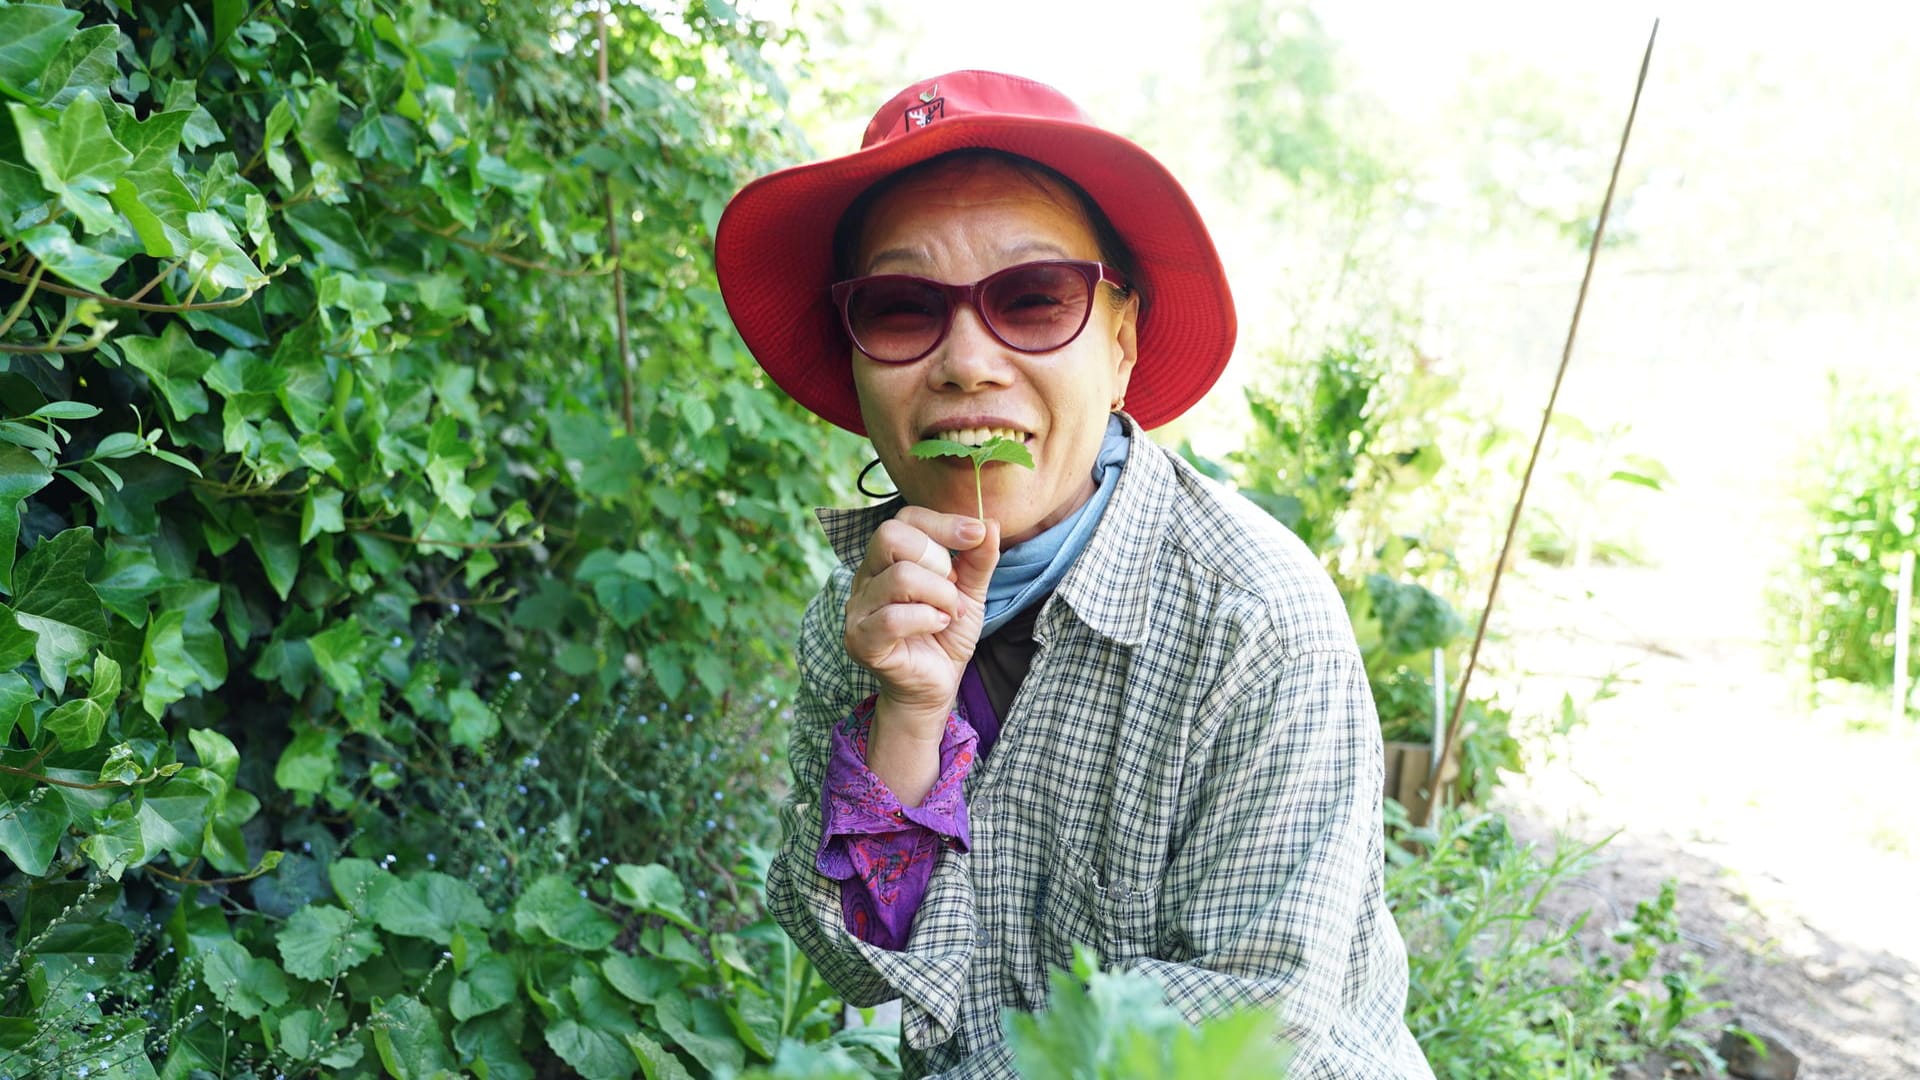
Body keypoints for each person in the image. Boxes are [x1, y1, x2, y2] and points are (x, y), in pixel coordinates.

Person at [715, 70, 1432, 1079]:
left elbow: (1252, 1011)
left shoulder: (1253, 614)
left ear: (1124, 339)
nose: (967, 363)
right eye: (899, 306)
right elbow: (858, 965)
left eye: (1033, 296)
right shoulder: (864, 611)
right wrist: (908, 717)